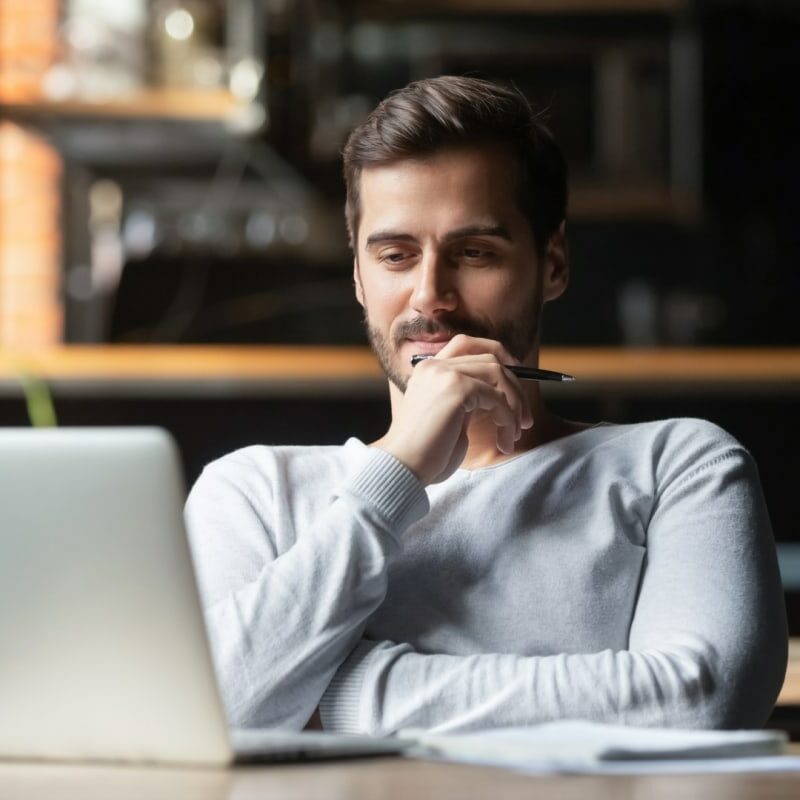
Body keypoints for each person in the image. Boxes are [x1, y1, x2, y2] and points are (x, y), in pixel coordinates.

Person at [184, 76, 787, 735]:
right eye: (395, 254)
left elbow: (700, 703)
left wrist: (336, 695)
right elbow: (206, 715)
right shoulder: (252, 492)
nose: (429, 297)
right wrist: (398, 471)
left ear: (552, 264)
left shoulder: (681, 465)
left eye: (474, 253)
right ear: (358, 275)